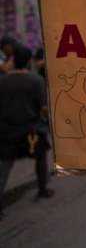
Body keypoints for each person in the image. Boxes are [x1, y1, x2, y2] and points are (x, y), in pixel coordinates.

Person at [0, 46, 54, 220]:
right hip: (31, 130)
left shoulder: (2, 81)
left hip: (7, 131)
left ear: (13, 60)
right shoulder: (35, 81)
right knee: (41, 159)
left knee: (4, 168)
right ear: (29, 61)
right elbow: (44, 109)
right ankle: (42, 190)